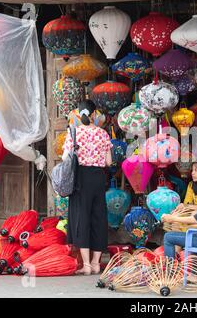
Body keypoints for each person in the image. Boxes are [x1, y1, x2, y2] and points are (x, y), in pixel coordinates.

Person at [62, 99, 113, 275]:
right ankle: (96, 263)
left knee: (81, 217)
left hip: (80, 178)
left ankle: (86, 265)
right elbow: (108, 162)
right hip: (98, 178)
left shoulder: (74, 133)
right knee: (98, 217)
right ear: (94, 115)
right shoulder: (103, 134)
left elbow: (65, 158)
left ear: (79, 113)